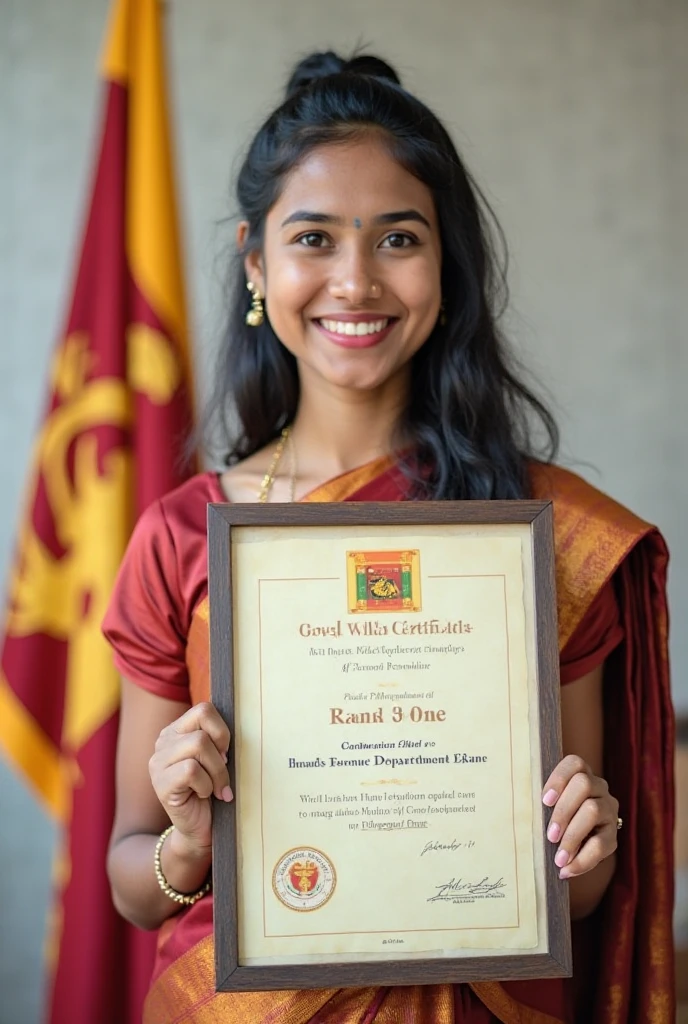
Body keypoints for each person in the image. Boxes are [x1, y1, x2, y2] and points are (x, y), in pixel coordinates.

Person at [102, 51, 675, 1024]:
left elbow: (567, 894)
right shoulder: (181, 538)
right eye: (314, 238)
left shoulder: (544, 543)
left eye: (398, 238)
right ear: (255, 261)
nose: (355, 281)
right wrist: (187, 846)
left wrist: (587, 843)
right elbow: (132, 874)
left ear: (446, 261)